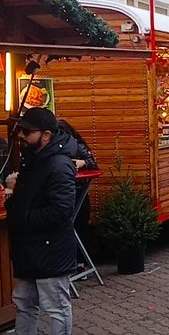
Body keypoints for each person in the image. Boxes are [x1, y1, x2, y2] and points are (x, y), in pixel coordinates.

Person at [5, 108, 78, 334]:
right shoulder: (33, 158)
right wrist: (13, 203)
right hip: (30, 247)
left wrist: (22, 217)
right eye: (20, 130)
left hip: (50, 248)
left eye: (26, 131)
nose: (21, 136)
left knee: (56, 307)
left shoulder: (58, 165)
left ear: (46, 135)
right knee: (24, 303)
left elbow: (61, 210)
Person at [57, 120, 98, 280]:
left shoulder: (77, 146)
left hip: (78, 193)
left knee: (79, 227)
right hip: (64, 194)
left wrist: (84, 162)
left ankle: (80, 264)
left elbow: (94, 164)